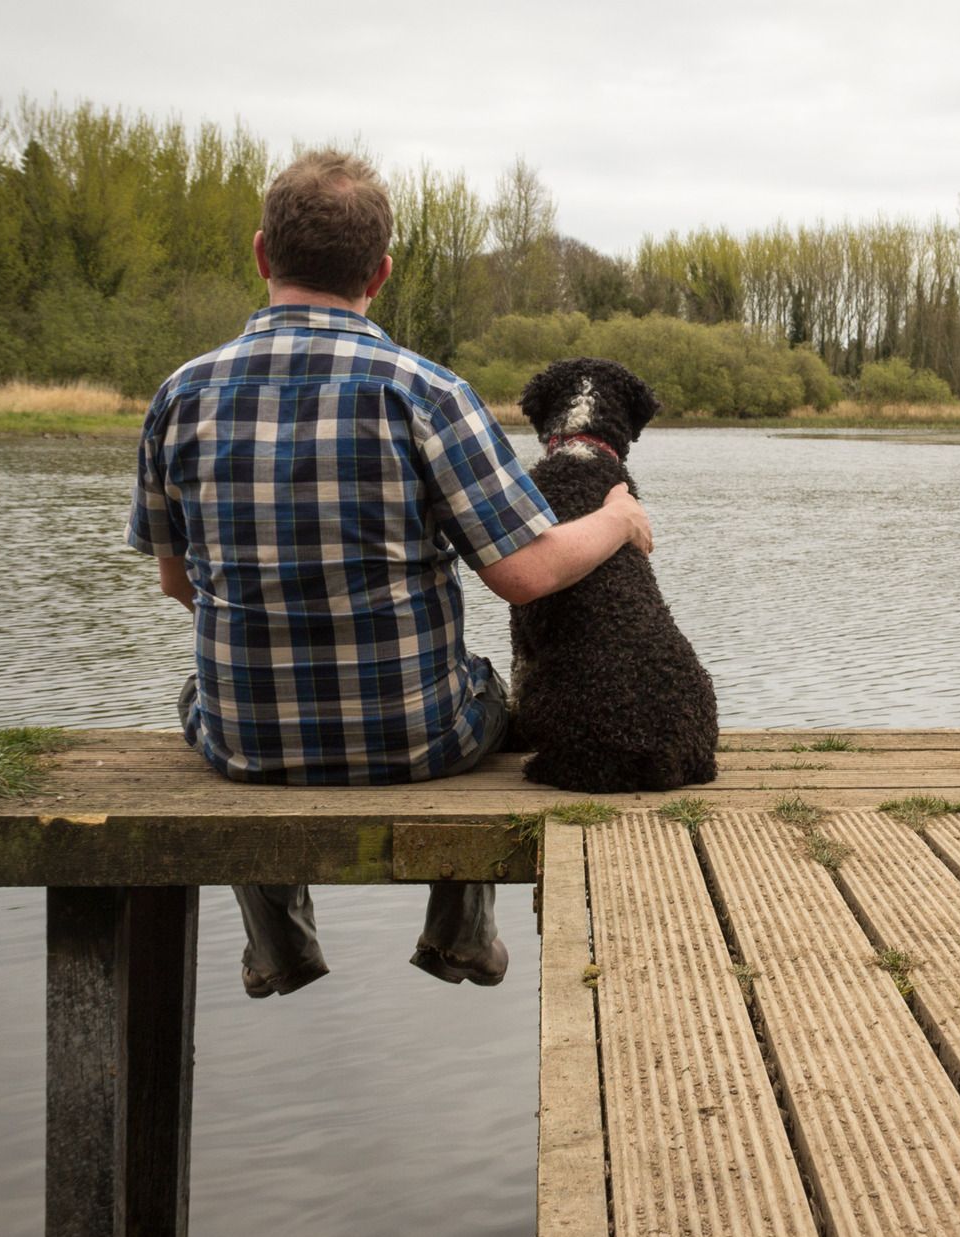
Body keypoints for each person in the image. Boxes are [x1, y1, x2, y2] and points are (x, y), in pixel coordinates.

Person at [126, 150, 651, 996]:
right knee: (487, 691)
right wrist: (616, 519)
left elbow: (178, 585)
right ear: (382, 272)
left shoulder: (179, 395)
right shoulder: (429, 392)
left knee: (205, 691)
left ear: (262, 254)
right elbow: (524, 575)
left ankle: (280, 941)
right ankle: (459, 932)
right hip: (418, 742)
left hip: (245, 744)